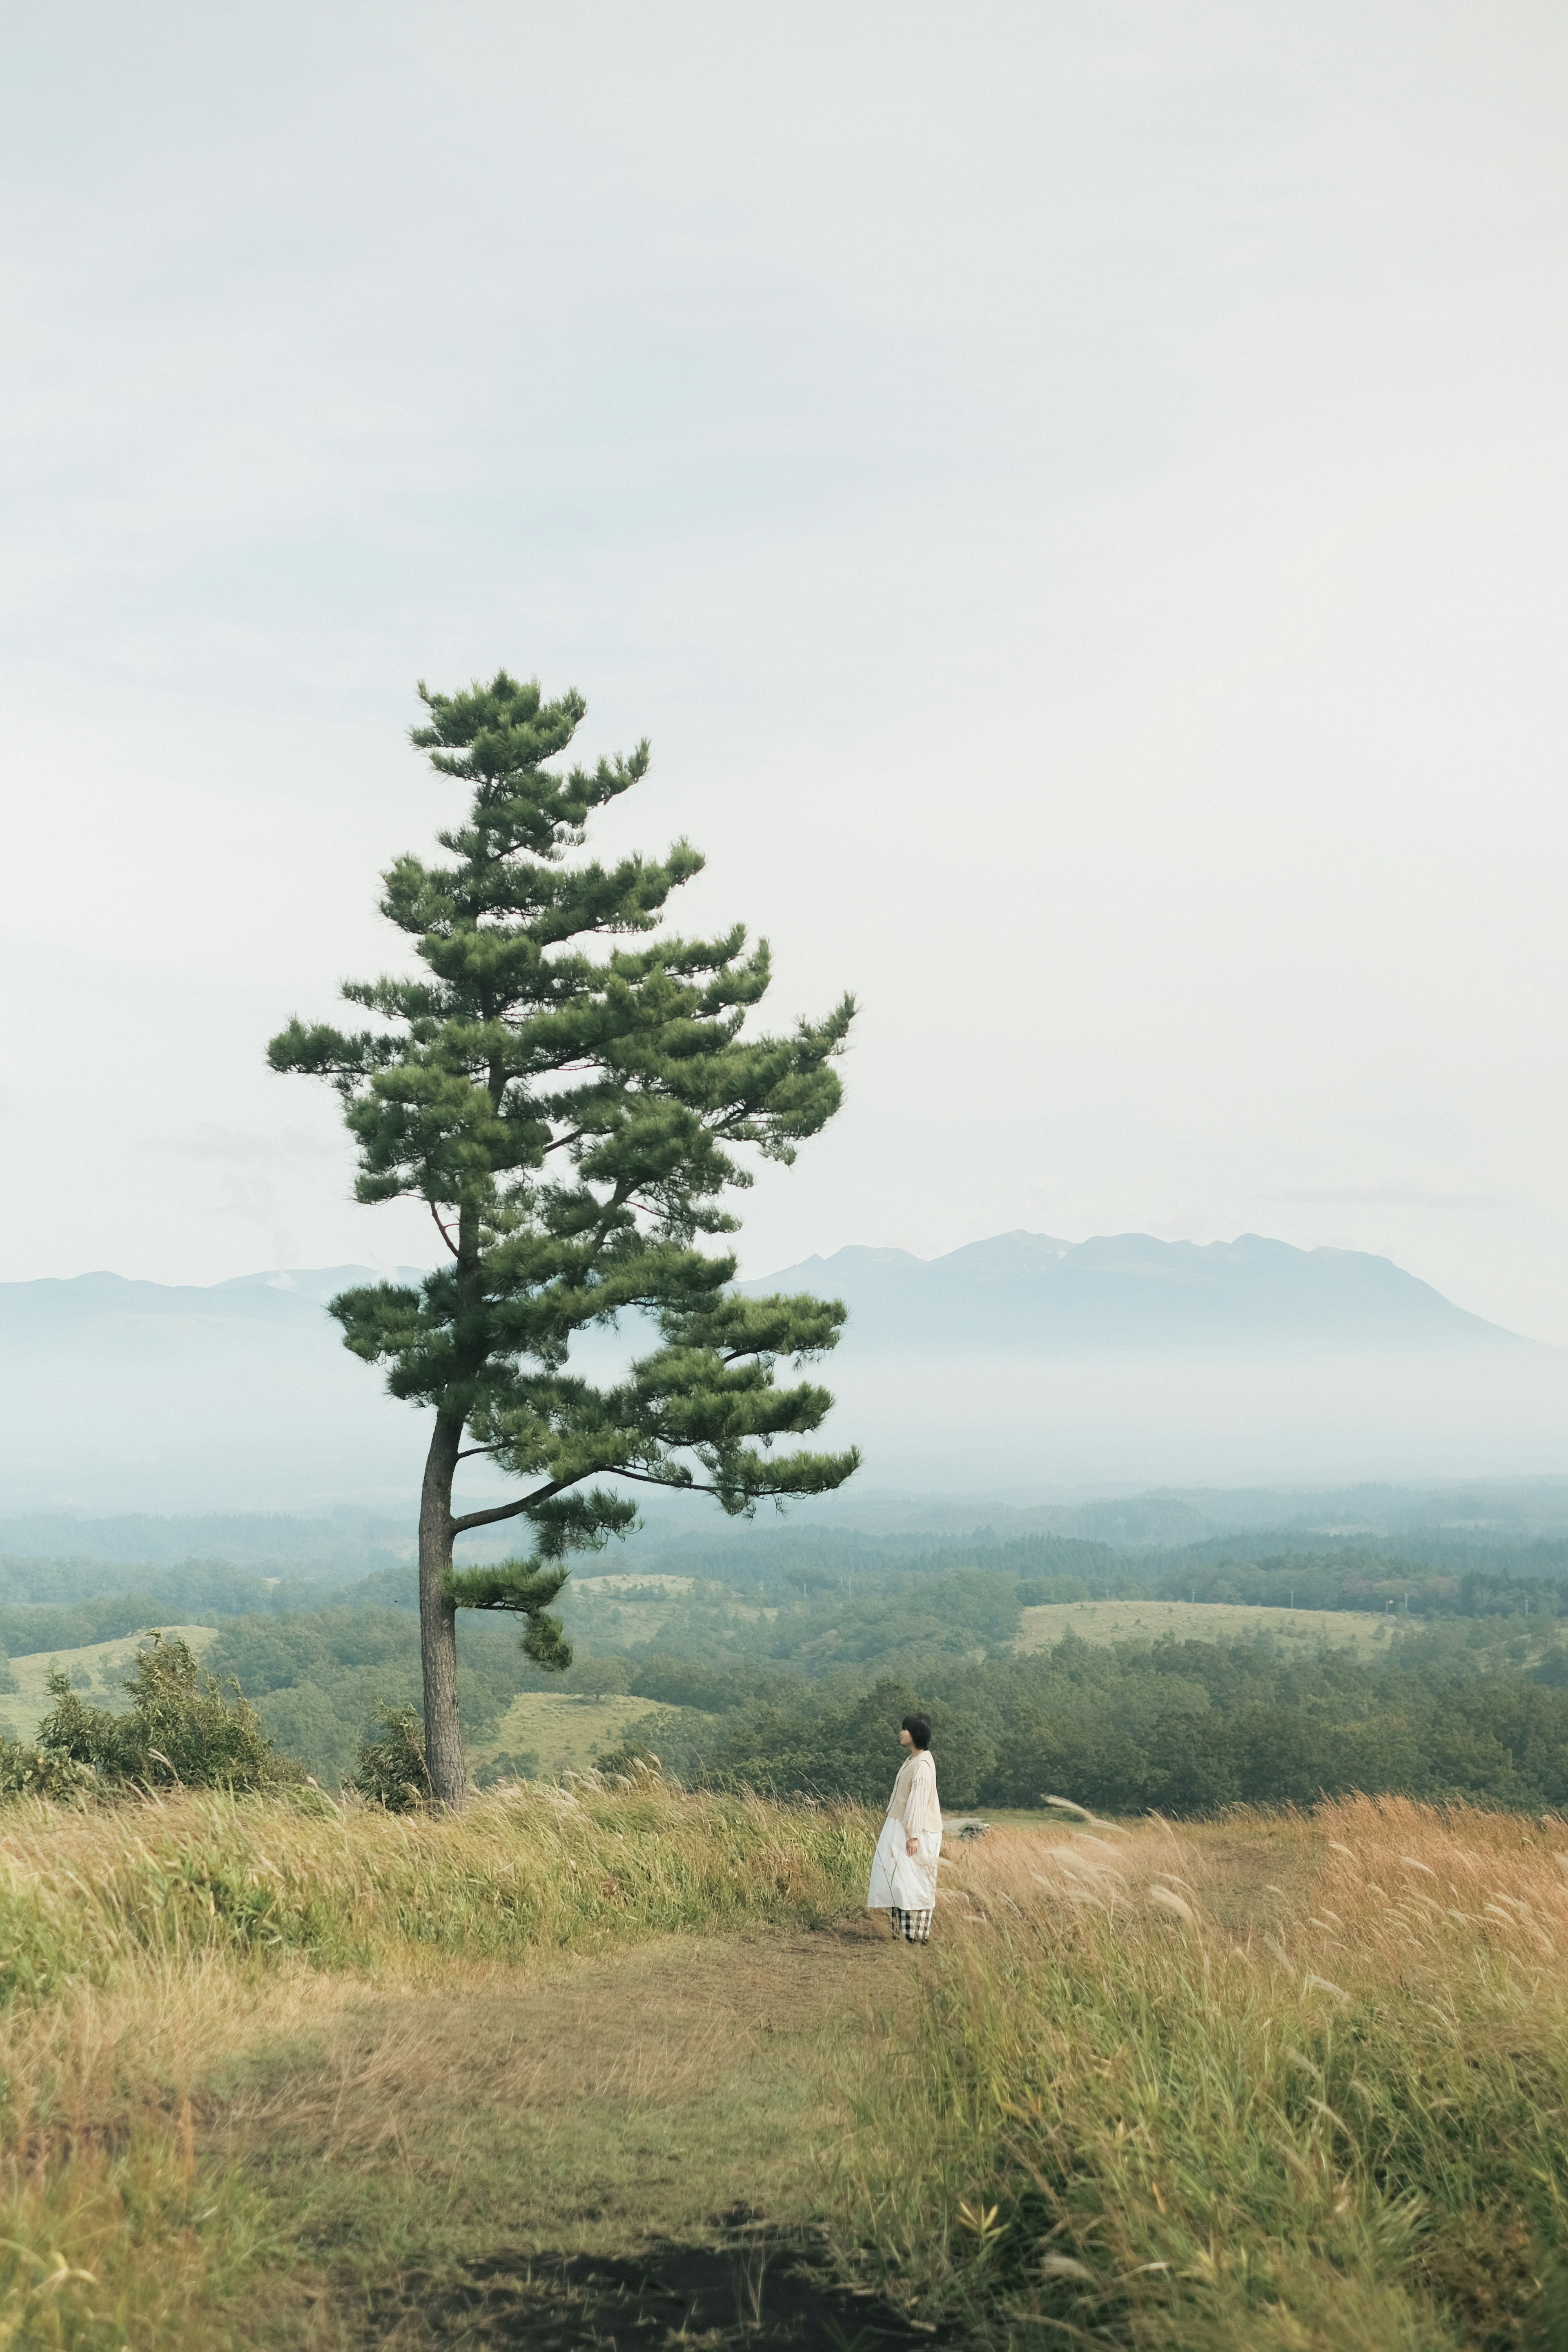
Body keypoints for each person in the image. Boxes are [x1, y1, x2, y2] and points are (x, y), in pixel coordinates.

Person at [866, 1711, 942, 1942]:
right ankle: (900, 1931)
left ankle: (916, 1935)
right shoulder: (913, 1760)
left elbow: (918, 1802)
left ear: (916, 1734)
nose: (901, 1733)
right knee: (898, 1878)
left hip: (914, 1830)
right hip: (902, 1827)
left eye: (905, 1729)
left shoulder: (923, 1765)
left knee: (914, 1879)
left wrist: (914, 1836)